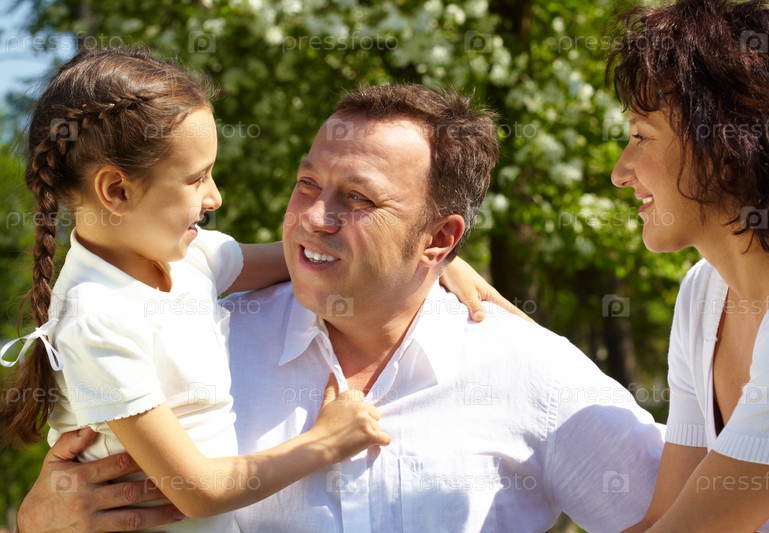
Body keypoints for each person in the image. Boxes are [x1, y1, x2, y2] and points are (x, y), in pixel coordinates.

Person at [17, 84, 665, 532]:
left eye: (357, 199)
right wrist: (34, 524)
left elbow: (683, 517)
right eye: (307, 184)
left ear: (440, 237)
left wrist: (435, 266)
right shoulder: (199, 340)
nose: (312, 219)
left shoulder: (527, 366)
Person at [0, 46, 394, 533]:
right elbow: (197, 492)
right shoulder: (97, 316)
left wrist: (430, 262)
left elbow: (307, 259)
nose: (215, 197)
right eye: (197, 178)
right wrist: (326, 442)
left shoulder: (191, 257)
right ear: (117, 191)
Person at [607, 0, 769, 530]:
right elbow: (663, 518)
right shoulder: (701, 295)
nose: (620, 172)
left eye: (640, 137)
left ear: (730, 147)